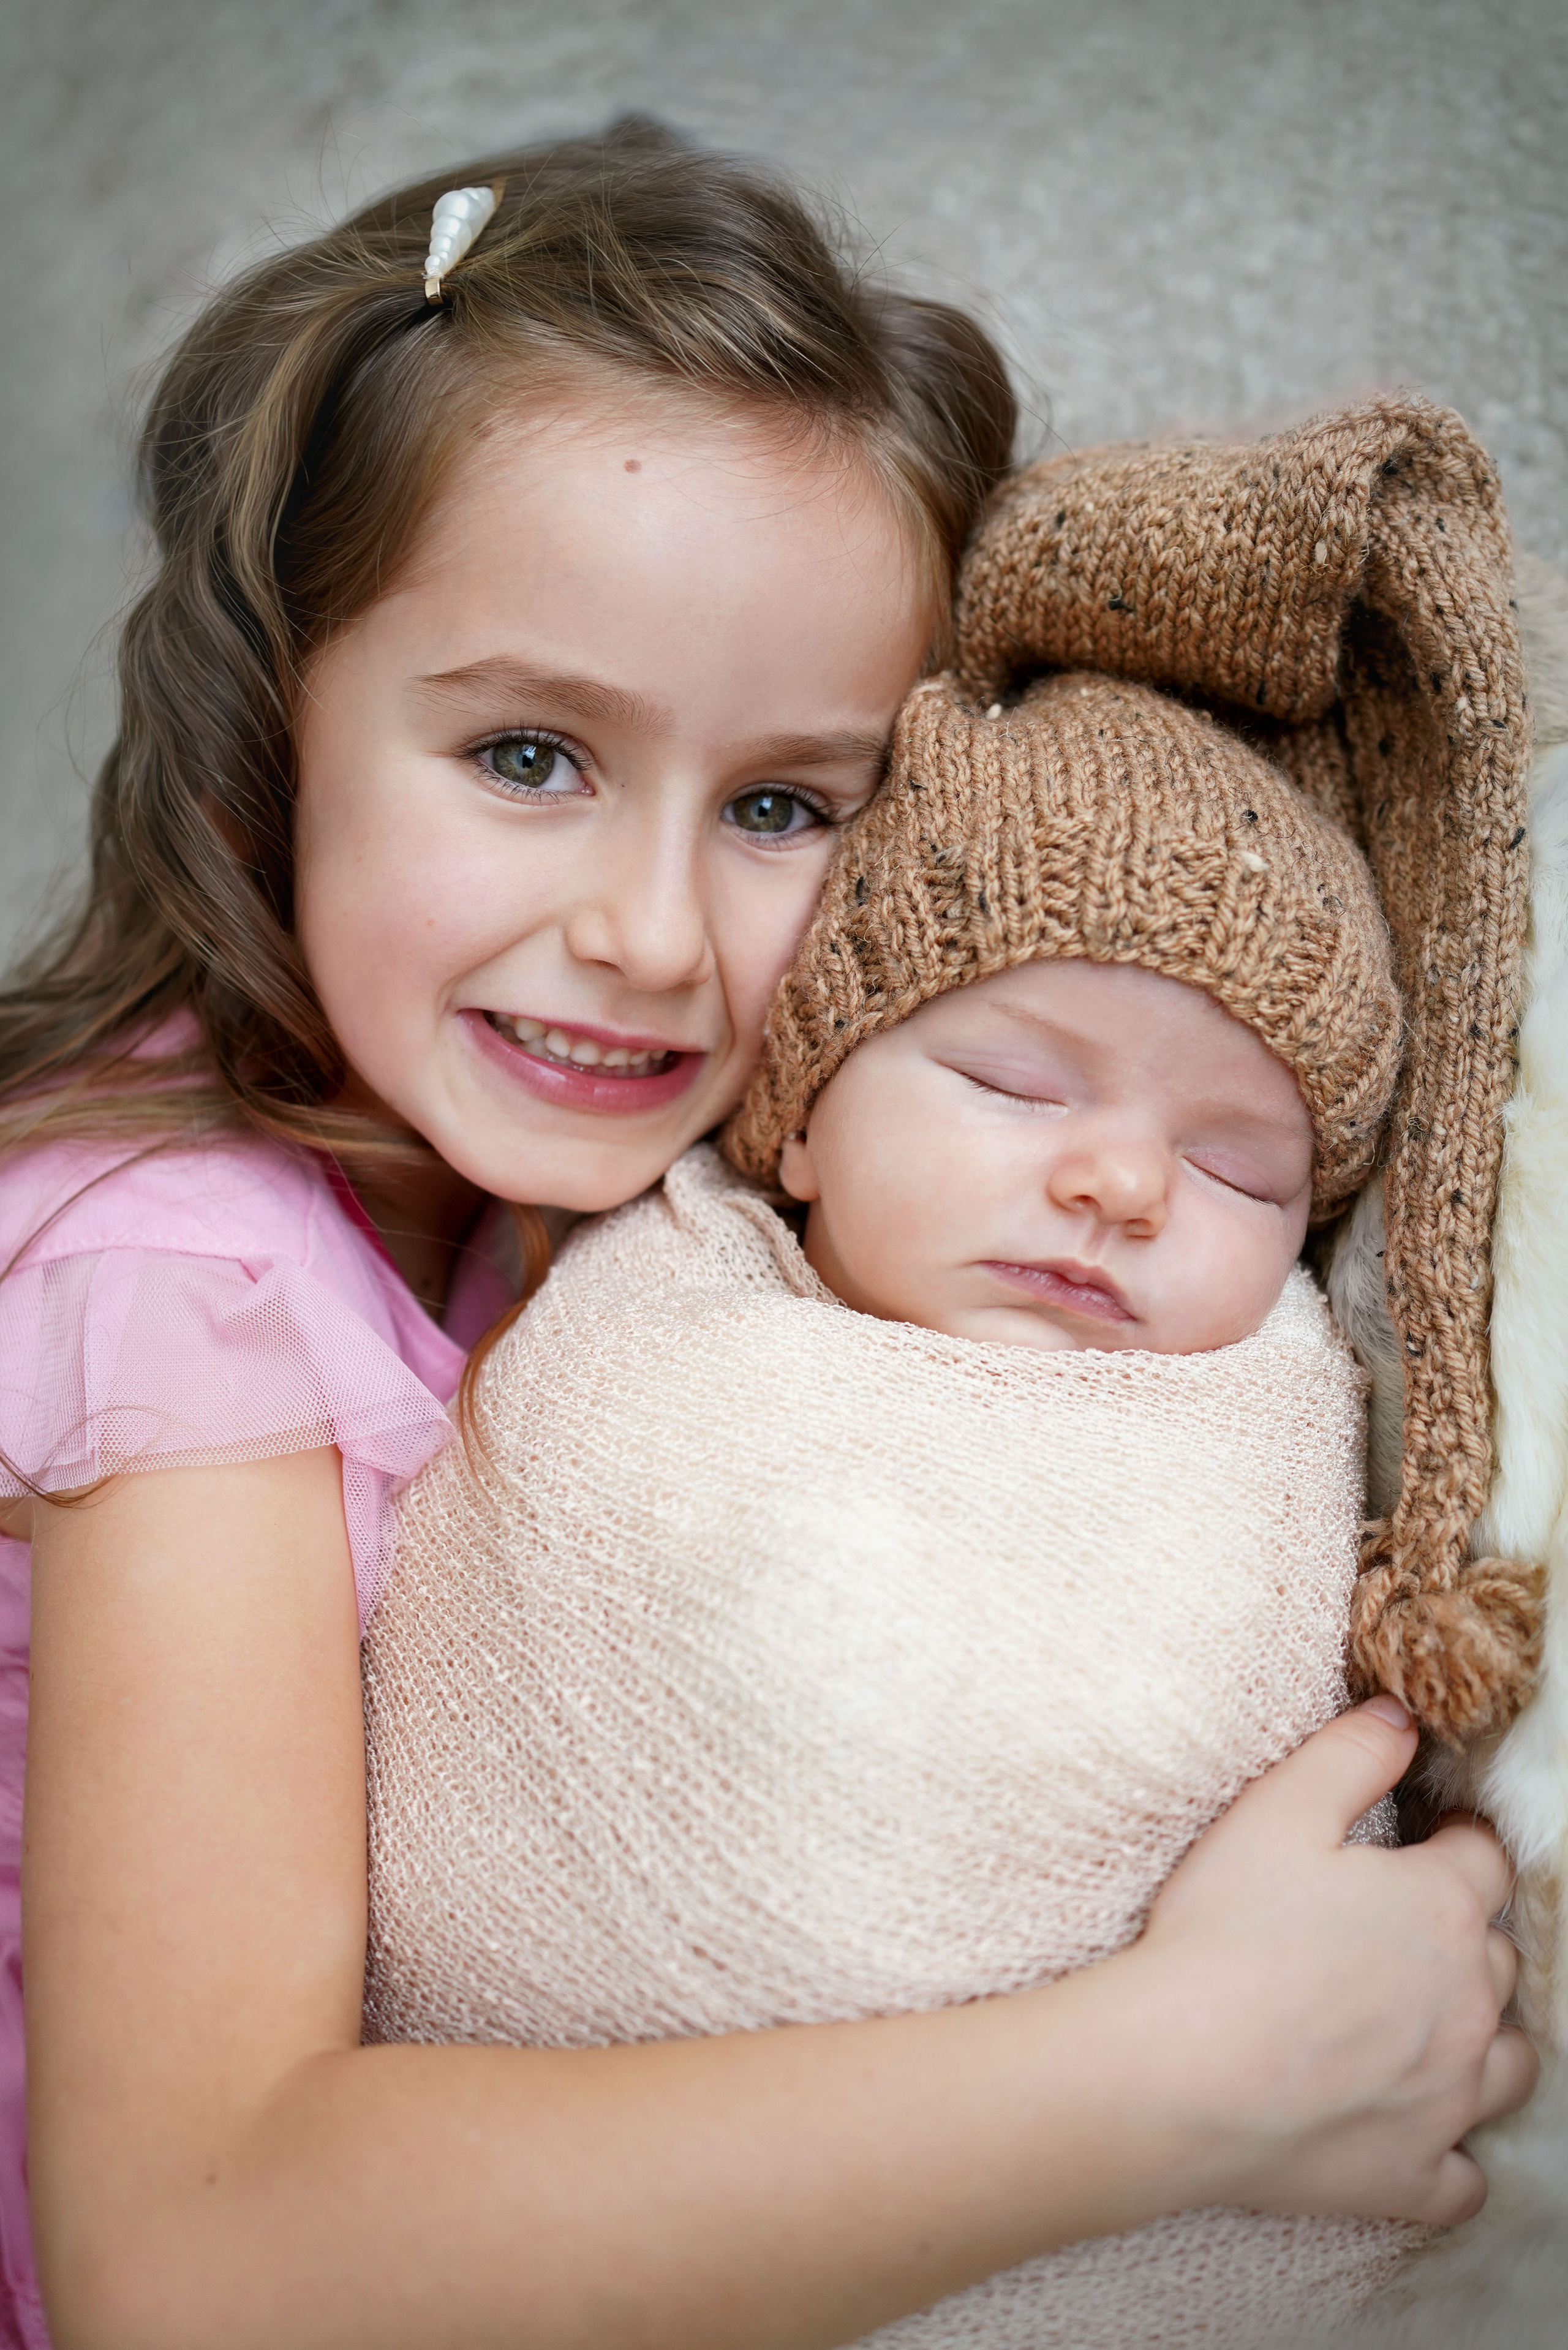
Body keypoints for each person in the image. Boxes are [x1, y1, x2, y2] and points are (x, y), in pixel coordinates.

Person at [0, 119, 1532, 2350]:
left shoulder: (627, 1225)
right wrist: (1182, 2083)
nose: (644, 935)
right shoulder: (178, 1275)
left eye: (786, 807)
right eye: (529, 755)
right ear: (267, 740)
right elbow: (200, 2259)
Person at [363, 667, 1411, 2348]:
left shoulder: (1260, 1416)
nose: (1124, 1182)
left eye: (1239, 1168)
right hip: (552, 2207)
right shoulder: (635, 1340)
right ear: (803, 1121)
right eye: (1014, 1083)